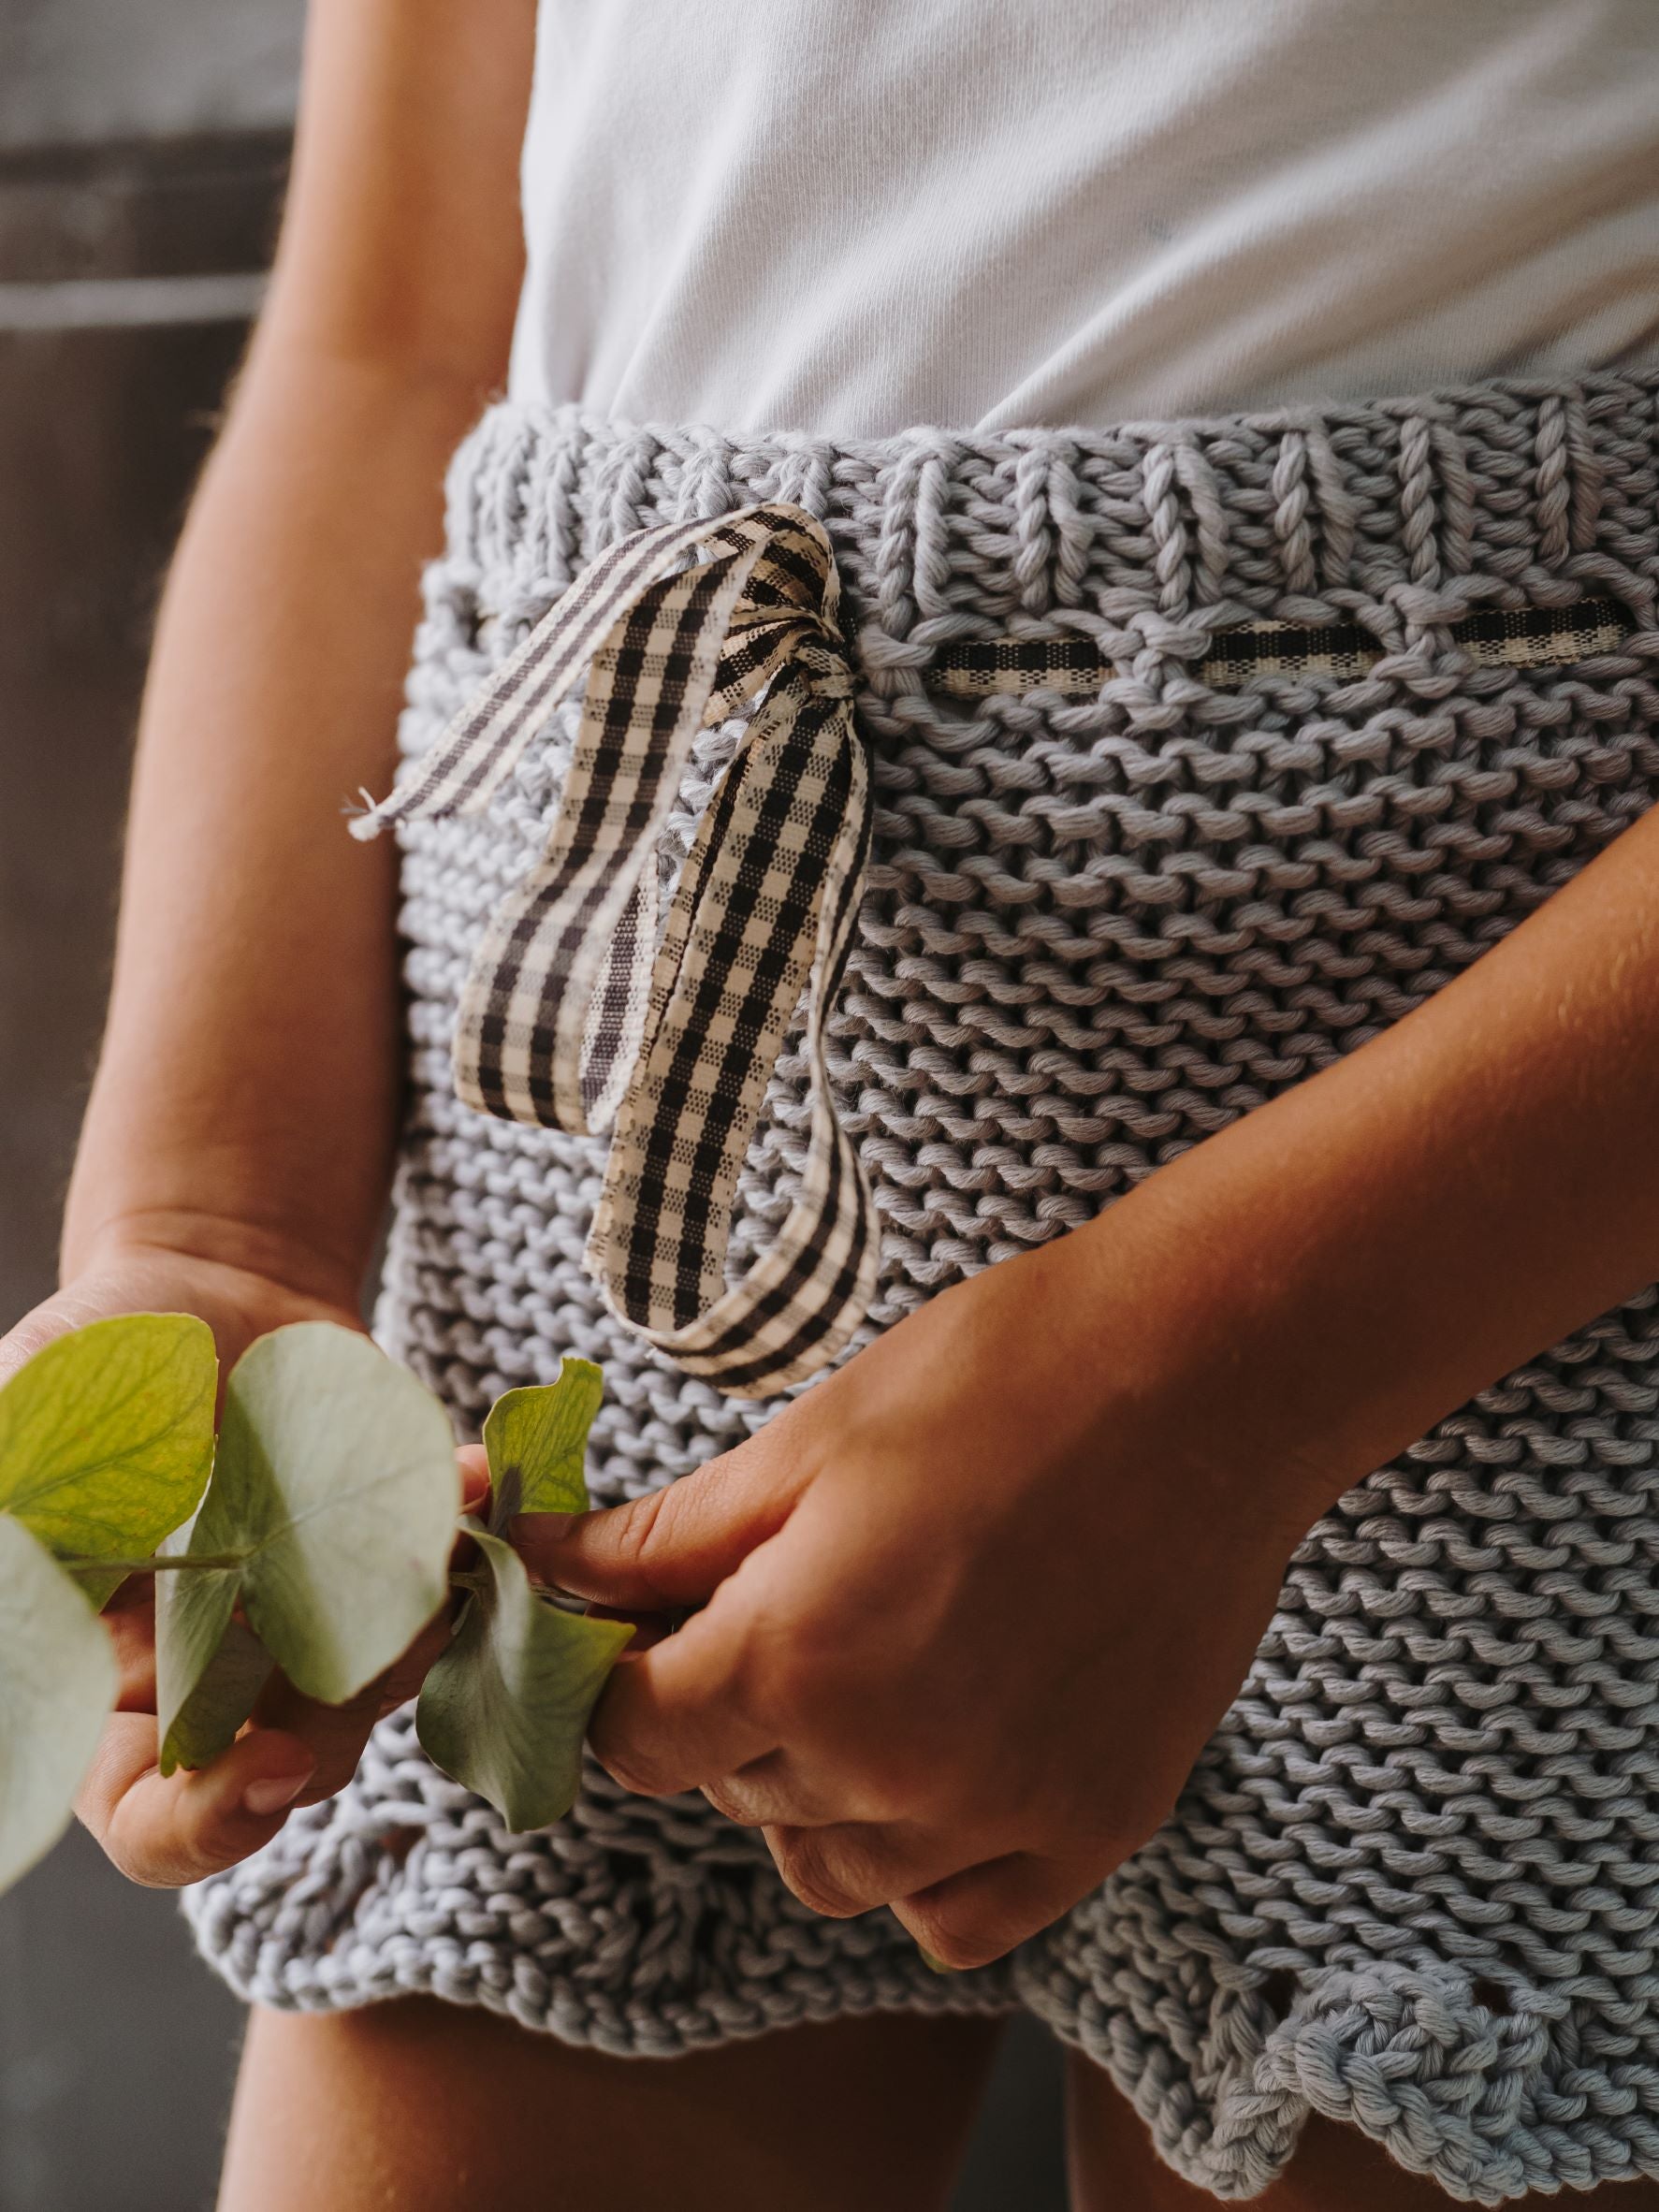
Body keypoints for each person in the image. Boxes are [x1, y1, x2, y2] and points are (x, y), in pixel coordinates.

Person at [6, 0, 1659, 2204]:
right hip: (587, 1178)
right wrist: (214, 1223)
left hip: (1482, 1240)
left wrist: (1218, 1392)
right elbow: (388, 342)